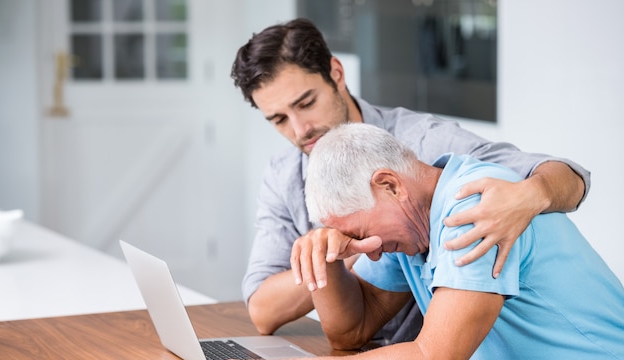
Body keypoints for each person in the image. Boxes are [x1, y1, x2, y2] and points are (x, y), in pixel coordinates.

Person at [170, 123, 624, 360]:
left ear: (389, 185)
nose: (369, 251)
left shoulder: (475, 206)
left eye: (362, 232)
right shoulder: (411, 225)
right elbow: (352, 331)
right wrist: (328, 257)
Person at [233, 18, 590, 342]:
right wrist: (341, 248)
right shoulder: (284, 174)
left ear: (336, 74)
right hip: (363, 352)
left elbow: (569, 177)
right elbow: (263, 311)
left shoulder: (423, 147)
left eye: (306, 103)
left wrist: (530, 194)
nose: (300, 130)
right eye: (279, 120)